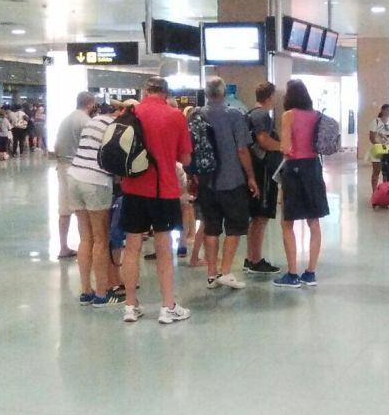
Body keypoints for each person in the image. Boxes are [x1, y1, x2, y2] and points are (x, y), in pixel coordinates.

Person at [119, 77, 192, 324]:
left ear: (145, 91)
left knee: (132, 247)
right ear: (166, 93)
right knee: (163, 248)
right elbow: (186, 157)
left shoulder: (132, 113)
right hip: (164, 189)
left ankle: (130, 305)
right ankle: (167, 306)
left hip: (132, 188)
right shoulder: (175, 116)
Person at [199, 76, 258, 290]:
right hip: (231, 179)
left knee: (211, 227)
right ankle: (225, 271)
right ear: (224, 93)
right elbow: (242, 149)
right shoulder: (234, 114)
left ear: (206, 93)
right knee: (234, 226)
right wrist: (251, 176)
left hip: (206, 181)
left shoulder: (197, 115)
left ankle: (211, 274)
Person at [273, 79, 330, 288]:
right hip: (314, 168)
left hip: (295, 170)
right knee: (313, 221)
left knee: (287, 222)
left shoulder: (288, 116)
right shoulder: (316, 116)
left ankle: (292, 273)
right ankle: (310, 273)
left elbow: (286, 147)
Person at [66, 102, 124, 307]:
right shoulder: (116, 127)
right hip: (96, 181)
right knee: (101, 238)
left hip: (73, 177)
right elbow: (116, 162)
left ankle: (86, 292)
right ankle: (102, 294)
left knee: (85, 237)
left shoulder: (93, 122)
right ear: (119, 113)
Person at [244, 82, 283, 275]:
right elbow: (263, 140)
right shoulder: (261, 116)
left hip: (257, 169)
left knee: (256, 217)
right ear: (269, 97)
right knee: (261, 216)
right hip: (264, 171)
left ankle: (251, 256)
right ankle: (256, 259)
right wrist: (283, 147)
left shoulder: (251, 113)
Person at [54, 92, 97, 259]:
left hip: (62, 166)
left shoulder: (66, 119)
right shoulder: (86, 121)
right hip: (78, 168)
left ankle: (63, 247)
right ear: (90, 104)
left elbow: (56, 147)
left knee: (64, 210)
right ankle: (86, 245)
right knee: (82, 210)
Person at [369, 104, 389, 191]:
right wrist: (380, 145)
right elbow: (372, 137)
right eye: (386, 110)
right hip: (378, 149)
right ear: (382, 110)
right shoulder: (375, 121)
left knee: (387, 171)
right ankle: (374, 192)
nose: (388, 112)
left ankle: (385, 191)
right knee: (376, 171)